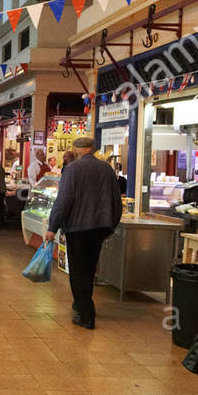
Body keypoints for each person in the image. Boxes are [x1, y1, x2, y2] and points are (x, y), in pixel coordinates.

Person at [44, 136, 122, 328]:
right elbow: (117, 201)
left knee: (78, 271)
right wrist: (111, 224)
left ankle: (86, 314)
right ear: (93, 149)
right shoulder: (106, 169)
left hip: (78, 228)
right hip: (100, 228)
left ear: (76, 150)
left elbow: (63, 201)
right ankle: (81, 303)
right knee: (89, 267)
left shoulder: (72, 169)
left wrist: (52, 227)